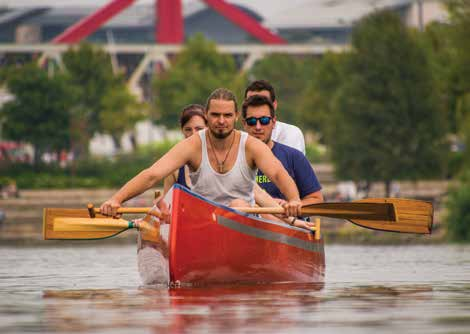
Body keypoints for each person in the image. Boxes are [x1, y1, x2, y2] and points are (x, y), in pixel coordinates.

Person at [100, 88, 302, 218]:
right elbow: (152, 174)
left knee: (238, 204)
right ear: (206, 115)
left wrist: (293, 200)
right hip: (202, 219)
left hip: (244, 217)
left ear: (236, 117)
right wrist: (116, 200)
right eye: (215, 115)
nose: (221, 121)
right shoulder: (193, 145)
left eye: (227, 115)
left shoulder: (251, 145)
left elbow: (278, 174)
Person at [242, 95, 323, 208]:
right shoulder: (233, 156)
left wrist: (292, 206)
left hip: (284, 221)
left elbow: (316, 199)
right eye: (252, 121)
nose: (258, 127)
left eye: (264, 120)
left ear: (274, 122)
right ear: (244, 124)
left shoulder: (294, 157)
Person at [244, 80, 306, 154]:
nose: (258, 105)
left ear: (274, 105)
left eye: (264, 101)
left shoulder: (291, 134)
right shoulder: (237, 138)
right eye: (252, 101)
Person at [163, 104, 207, 194]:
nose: (193, 134)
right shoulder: (174, 167)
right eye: (188, 129)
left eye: (199, 129)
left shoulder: (221, 161)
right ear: (182, 130)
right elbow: (166, 204)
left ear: (208, 129)